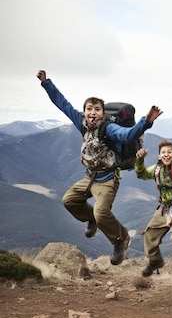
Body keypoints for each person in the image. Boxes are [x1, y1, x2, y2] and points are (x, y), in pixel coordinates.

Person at [36, 70, 162, 266]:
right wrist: (46, 83)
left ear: (103, 113)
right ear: (84, 111)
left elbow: (128, 136)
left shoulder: (108, 129)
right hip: (89, 177)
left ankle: (121, 240)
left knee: (102, 212)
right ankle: (92, 219)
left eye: (97, 109)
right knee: (69, 201)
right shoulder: (82, 123)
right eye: (89, 108)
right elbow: (62, 103)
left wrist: (146, 122)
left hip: (108, 178)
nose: (92, 112)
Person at [135, 140, 172, 277]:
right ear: (159, 156)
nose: (166, 155)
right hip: (164, 208)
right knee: (150, 234)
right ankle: (155, 262)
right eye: (163, 152)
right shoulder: (157, 169)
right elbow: (141, 174)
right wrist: (139, 160)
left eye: (169, 152)